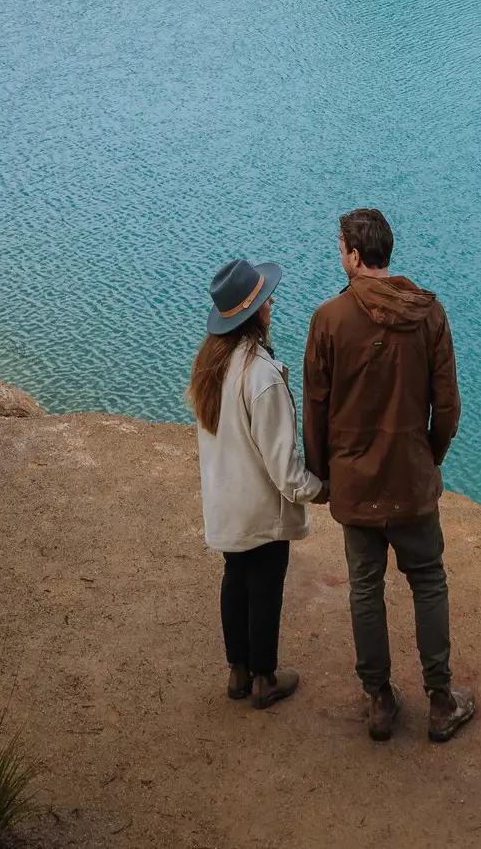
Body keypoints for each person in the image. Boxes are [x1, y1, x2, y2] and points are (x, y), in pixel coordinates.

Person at [302, 205, 476, 745]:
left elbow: (315, 407)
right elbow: (447, 407)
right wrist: (429, 458)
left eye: (340, 248)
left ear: (354, 255)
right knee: (428, 583)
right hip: (411, 480)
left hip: (356, 483)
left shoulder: (328, 320)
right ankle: (441, 700)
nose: (340, 256)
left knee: (365, 588)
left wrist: (324, 474)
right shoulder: (430, 313)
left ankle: (379, 700)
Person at [191, 255, 322, 708]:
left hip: (225, 503)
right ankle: (265, 677)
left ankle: (238, 670)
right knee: (266, 586)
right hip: (259, 510)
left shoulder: (211, 362)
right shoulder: (261, 375)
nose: (271, 305)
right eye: (266, 300)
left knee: (236, 578)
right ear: (257, 312)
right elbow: (283, 467)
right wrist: (319, 489)